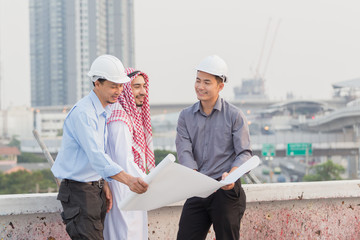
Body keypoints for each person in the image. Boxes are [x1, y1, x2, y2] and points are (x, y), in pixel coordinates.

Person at [51, 55, 149, 240]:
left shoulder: (103, 111)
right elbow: (97, 156)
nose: (118, 91)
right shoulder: (84, 113)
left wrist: (103, 184)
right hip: (79, 192)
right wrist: (129, 180)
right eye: (113, 86)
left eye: (121, 86)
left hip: (95, 189)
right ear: (97, 83)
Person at [175, 55, 253, 240]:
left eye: (207, 82)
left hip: (225, 190)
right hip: (198, 189)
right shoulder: (185, 117)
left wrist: (231, 176)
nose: (200, 86)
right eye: (198, 80)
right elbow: (184, 151)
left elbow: (244, 153)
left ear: (220, 86)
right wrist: (193, 174)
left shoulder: (235, 115)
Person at [104, 68, 155, 240]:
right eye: (137, 87)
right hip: (123, 190)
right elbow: (122, 161)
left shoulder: (123, 115)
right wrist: (151, 181)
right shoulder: (119, 119)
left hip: (129, 189)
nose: (143, 92)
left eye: (144, 86)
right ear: (125, 89)